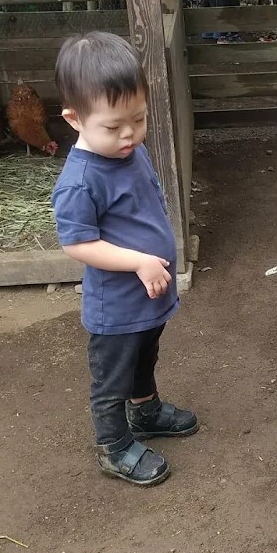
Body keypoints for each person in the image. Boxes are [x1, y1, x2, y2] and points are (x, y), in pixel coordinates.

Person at [51, 31, 198, 486]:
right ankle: (113, 445)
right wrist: (138, 261)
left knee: (144, 358)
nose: (129, 134)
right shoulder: (79, 181)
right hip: (116, 305)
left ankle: (146, 412)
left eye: (138, 118)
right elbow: (77, 244)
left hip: (148, 295)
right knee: (112, 376)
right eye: (113, 127)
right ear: (75, 119)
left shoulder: (131, 151)